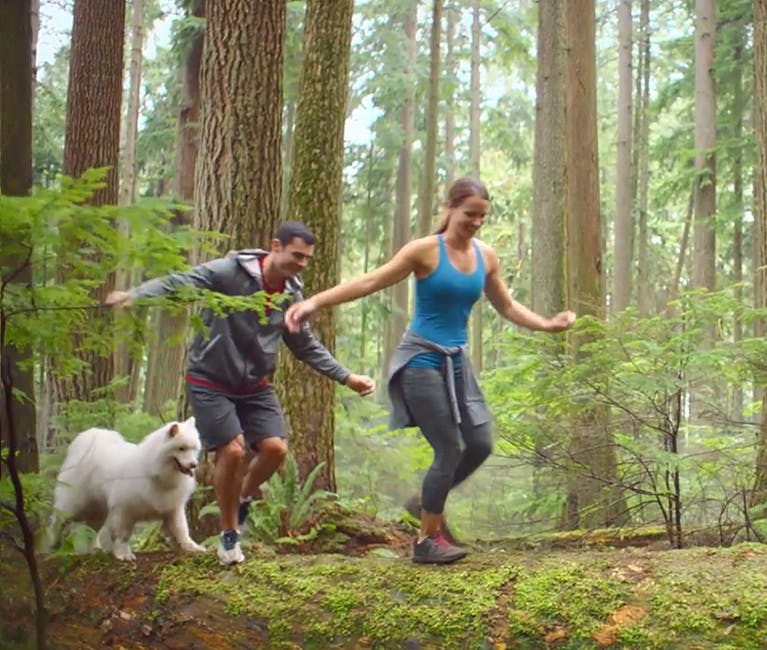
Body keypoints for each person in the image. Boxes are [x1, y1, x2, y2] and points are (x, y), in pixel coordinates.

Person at [285, 179, 575, 564]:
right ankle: (426, 541)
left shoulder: (486, 257)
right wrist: (314, 303)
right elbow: (371, 280)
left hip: (456, 363)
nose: (475, 222)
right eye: (469, 213)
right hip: (420, 360)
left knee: (480, 444)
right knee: (448, 448)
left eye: (482, 216)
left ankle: (424, 501)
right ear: (451, 208)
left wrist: (547, 324)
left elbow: (506, 306)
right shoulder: (424, 251)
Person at [106, 221, 375, 566]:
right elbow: (184, 281)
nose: (302, 264)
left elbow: (305, 345)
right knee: (232, 452)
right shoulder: (231, 272)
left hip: (254, 385)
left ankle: (241, 498)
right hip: (210, 380)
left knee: (276, 449)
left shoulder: (291, 293)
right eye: (296, 255)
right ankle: (229, 536)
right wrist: (137, 295)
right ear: (275, 246)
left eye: (307, 258)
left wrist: (346, 377)